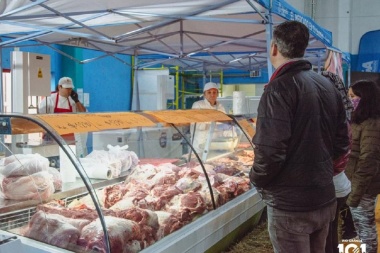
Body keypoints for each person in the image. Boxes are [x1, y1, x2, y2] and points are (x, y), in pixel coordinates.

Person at [249, 21, 350, 253]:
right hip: (324, 198)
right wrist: (320, 173)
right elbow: (342, 143)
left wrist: (256, 179)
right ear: (302, 49)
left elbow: (270, 151)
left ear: (274, 48)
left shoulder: (277, 88)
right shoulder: (327, 85)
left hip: (291, 206)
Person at [321, 71, 356, 253]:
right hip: (344, 183)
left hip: (341, 184)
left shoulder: (333, 119)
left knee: (348, 230)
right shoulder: (345, 116)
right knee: (337, 232)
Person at [345, 79, 380, 253]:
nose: (350, 100)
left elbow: (368, 160)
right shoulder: (361, 120)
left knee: (365, 228)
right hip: (358, 183)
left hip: (364, 186)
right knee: (362, 226)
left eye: (352, 96)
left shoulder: (371, 124)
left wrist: (356, 192)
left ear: (364, 98)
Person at [38, 76, 86, 144]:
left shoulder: (73, 101)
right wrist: (46, 131)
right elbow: (41, 118)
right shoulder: (49, 100)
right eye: (67, 88)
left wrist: (77, 100)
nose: (69, 91)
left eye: (70, 88)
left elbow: (83, 114)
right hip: (53, 138)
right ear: (59, 87)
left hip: (70, 138)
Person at [190, 82, 226, 155]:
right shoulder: (198, 105)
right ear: (204, 94)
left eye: (214, 92)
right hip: (200, 143)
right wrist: (216, 122)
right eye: (209, 92)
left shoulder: (220, 106)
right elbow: (198, 124)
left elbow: (225, 123)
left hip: (215, 144)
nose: (212, 94)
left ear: (217, 94)